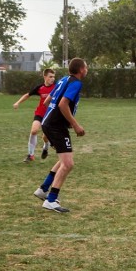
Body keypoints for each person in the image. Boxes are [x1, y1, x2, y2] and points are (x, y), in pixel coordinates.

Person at [33, 58, 88, 213]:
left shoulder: (64, 80)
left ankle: (44, 189)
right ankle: (51, 200)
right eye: (86, 67)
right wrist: (75, 124)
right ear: (81, 70)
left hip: (50, 123)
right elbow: (62, 104)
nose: (87, 69)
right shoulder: (76, 83)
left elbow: (48, 101)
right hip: (55, 126)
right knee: (68, 164)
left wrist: (59, 118)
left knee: (64, 160)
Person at [13, 68, 56, 162]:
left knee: (45, 137)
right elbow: (27, 95)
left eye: (53, 77)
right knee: (34, 131)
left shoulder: (57, 87)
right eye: (50, 77)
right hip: (40, 113)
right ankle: (30, 155)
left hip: (50, 114)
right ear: (45, 77)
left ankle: (45, 147)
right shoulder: (40, 88)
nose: (52, 79)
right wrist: (18, 102)